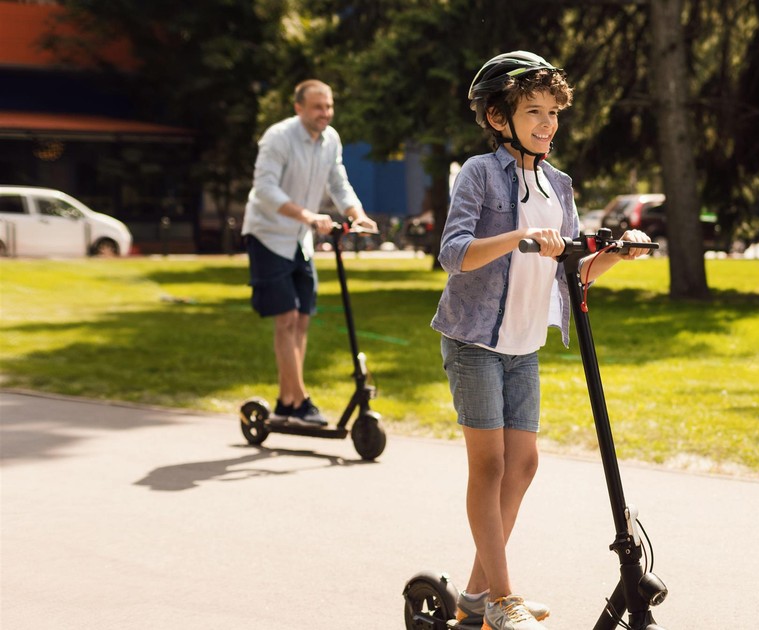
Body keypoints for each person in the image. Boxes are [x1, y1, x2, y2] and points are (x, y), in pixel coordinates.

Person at [430, 52, 650, 630]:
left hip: (523, 344)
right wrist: (519, 235)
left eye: (554, 111)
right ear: (498, 117)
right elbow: (453, 254)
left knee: (523, 464)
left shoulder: (559, 184)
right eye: (533, 111)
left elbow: (571, 270)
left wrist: (617, 254)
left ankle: (476, 596)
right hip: (475, 340)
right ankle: (502, 599)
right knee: (490, 465)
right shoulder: (479, 173)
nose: (547, 123)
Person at [242, 79, 377, 427]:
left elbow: (338, 182)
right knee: (286, 318)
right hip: (269, 235)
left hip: (299, 239)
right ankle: (300, 401)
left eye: (329, 106)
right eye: (318, 107)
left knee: (302, 319)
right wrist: (308, 216)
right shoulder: (278, 138)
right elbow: (264, 189)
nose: (325, 113)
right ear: (298, 107)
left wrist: (357, 214)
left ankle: (287, 402)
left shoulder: (330, 139)